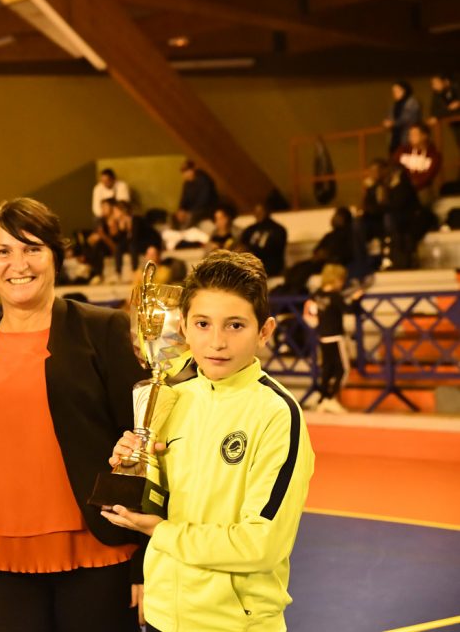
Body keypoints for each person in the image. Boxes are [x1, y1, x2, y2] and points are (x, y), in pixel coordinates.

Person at [0, 198, 146, 632]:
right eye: (3, 251)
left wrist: (145, 560)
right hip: (1, 563)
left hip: (100, 554)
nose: (18, 264)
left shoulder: (101, 330)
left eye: (32, 249)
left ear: (55, 257)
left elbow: (141, 441)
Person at [103, 250, 315, 632]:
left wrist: (160, 532)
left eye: (235, 325)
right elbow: (160, 503)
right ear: (183, 327)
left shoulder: (277, 414)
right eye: (203, 324)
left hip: (234, 624)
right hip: (162, 615)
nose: (217, 342)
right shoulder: (171, 398)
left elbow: (262, 544)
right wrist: (134, 466)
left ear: (264, 331)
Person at [304, 263, 362, 415]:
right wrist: (356, 299)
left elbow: (309, 312)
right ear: (336, 280)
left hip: (322, 336)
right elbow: (348, 309)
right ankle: (330, 398)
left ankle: (322, 399)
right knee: (343, 370)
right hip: (335, 337)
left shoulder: (316, 294)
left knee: (327, 370)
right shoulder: (335, 297)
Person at [393, 123, 442, 203]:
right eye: (410, 135)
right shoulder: (403, 150)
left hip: (421, 189)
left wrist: (414, 185)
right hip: (403, 188)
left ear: (424, 136)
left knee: (424, 195)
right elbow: (394, 164)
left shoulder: (434, 155)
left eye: (414, 134)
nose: (411, 137)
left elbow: (429, 176)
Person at [241, 202, 288, 277]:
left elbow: (276, 251)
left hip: (270, 266)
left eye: (261, 212)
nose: (258, 214)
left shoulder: (278, 230)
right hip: (250, 265)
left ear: (267, 212)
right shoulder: (249, 230)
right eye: (256, 212)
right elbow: (243, 244)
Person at [382, 80, 421, 154]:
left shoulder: (412, 102)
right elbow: (390, 116)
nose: (394, 93)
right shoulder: (395, 104)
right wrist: (387, 122)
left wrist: (393, 123)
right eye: (393, 91)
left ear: (404, 90)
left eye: (397, 91)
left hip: (407, 136)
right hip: (395, 137)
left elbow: (408, 118)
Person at [175, 159, 218, 227]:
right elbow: (184, 199)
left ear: (193, 170)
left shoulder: (204, 180)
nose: (186, 174)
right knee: (176, 216)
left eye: (187, 171)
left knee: (192, 216)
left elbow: (203, 200)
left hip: (206, 209)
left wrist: (189, 212)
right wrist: (181, 210)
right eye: (184, 172)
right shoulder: (187, 184)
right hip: (192, 209)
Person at [427, 73, 460, 151]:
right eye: (432, 84)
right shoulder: (437, 94)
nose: (434, 86)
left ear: (446, 81)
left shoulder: (456, 88)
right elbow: (434, 111)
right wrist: (435, 116)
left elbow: (454, 108)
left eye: (436, 83)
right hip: (453, 123)